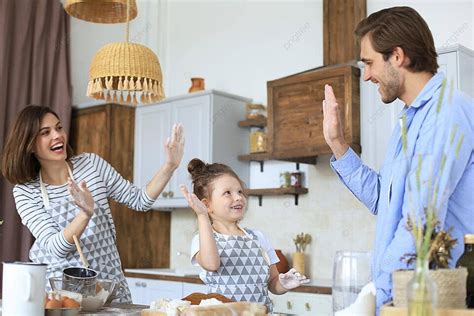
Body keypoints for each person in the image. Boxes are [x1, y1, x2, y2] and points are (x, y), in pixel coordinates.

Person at [322, 6, 474, 312]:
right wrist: (338, 144)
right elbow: (384, 199)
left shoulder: (446, 113)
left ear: (397, 56)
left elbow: (420, 222)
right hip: (408, 295)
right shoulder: (408, 122)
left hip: (433, 298)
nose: (366, 76)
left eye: (368, 63)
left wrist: (380, 294)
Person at [1, 105, 185, 303]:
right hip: (62, 296)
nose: (57, 135)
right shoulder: (25, 192)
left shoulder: (91, 165)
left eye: (59, 128)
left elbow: (139, 200)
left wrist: (169, 166)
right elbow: (57, 248)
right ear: (29, 145)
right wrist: (84, 214)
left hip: (108, 285)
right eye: (46, 132)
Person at [179, 158, 309, 312]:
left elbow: (272, 283)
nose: (239, 197)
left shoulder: (259, 237)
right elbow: (212, 264)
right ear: (207, 205)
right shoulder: (202, 240)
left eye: (240, 191)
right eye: (228, 193)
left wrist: (284, 284)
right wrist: (202, 215)